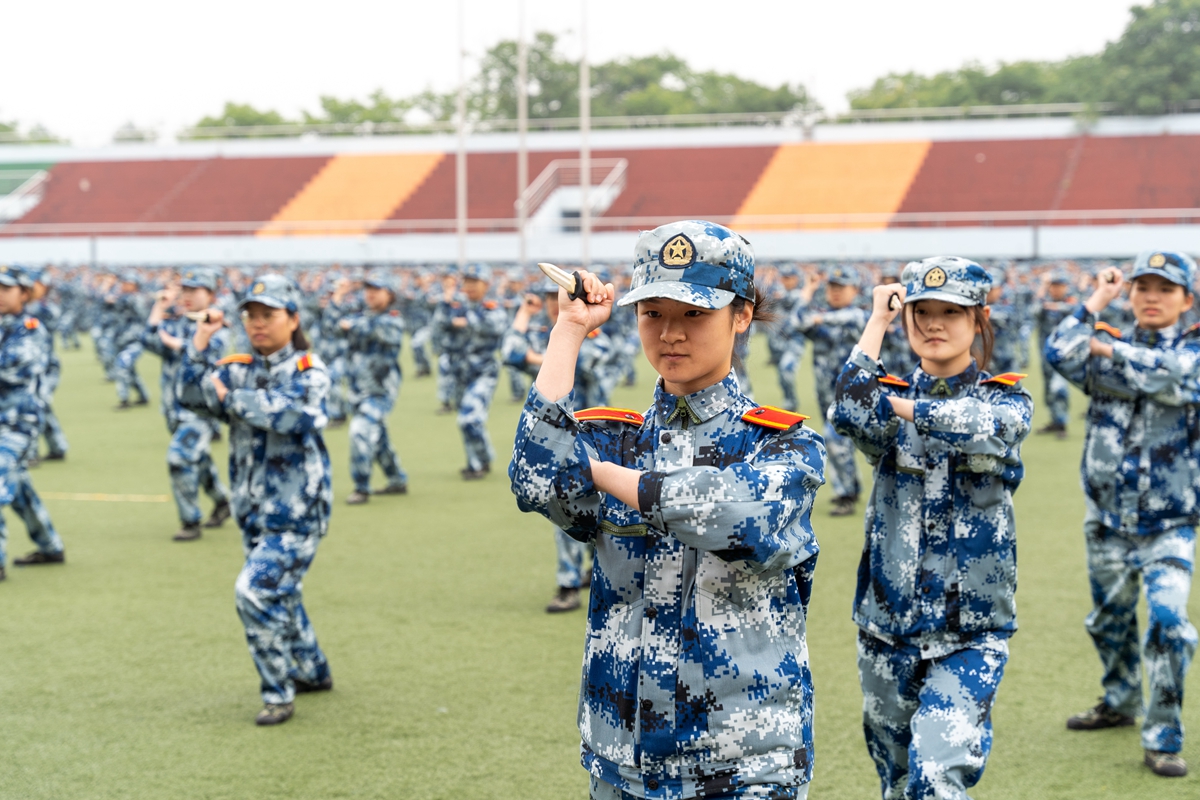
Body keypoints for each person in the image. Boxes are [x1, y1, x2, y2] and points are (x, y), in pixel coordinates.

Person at [510, 220, 826, 799]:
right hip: (623, 755)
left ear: (742, 315)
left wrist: (598, 473)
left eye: (694, 315)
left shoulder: (783, 444)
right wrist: (568, 331)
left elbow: (738, 516)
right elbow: (535, 481)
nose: (671, 334)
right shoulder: (619, 435)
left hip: (742, 760)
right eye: (652, 313)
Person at [831, 256, 1032, 800]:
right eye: (921, 313)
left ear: (978, 320)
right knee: (896, 782)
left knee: (936, 778)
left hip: (971, 631)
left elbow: (983, 427)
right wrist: (876, 320)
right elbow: (847, 410)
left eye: (952, 312)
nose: (936, 325)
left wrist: (899, 406)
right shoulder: (886, 396)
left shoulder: (1006, 398)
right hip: (886, 627)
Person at [1045, 251, 1200, 779]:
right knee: (1109, 621)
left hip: (1170, 522)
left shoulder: (1193, 349)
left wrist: (1110, 349)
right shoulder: (1107, 339)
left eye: (1165, 289)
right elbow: (1057, 350)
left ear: (1187, 299)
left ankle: (1162, 736)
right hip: (1108, 517)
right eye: (1142, 287)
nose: (1151, 297)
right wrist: (1098, 299)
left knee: (1168, 623)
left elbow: (1180, 376)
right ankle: (1119, 700)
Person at [178, 274, 334, 726]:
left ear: (293, 318)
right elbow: (190, 395)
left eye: (269, 315)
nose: (258, 324)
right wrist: (199, 343)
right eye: (251, 315)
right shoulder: (236, 364)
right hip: (252, 510)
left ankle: (277, 691)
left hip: (298, 512)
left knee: (255, 590)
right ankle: (313, 671)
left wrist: (233, 399)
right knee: (280, 592)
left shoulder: (310, 368)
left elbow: (295, 414)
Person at [504, 280, 612, 613]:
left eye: (559, 296)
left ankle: (585, 576)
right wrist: (524, 312)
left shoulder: (591, 333)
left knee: (602, 512)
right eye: (550, 297)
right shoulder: (545, 334)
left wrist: (543, 355)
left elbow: (587, 361)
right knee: (565, 508)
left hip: (597, 436)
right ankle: (570, 581)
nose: (554, 303)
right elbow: (509, 353)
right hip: (557, 437)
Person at [143, 268, 232, 541]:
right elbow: (149, 340)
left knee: (180, 458)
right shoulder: (179, 321)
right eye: (186, 290)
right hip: (173, 408)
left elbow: (203, 350)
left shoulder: (217, 325)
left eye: (196, 290)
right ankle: (222, 500)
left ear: (211, 294)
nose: (188, 296)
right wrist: (160, 306)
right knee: (198, 458)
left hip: (200, 410)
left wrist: (177, 343)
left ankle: (190, 520)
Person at [0, 265, 66, 580]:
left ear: (24, 294)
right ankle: (50, 545)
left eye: (6, 289)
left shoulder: (30, 328)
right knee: (18, 486)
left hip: (17, 423)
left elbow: (13, 368)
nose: (0, 295)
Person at [793, 264, 869, 516]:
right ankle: (850, 489)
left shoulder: (859, 317)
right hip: (829, 397)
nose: (835, 292)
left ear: (855, 290)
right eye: (831, 287)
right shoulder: (823, 322)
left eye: (841, 287)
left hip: (857, 397)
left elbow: (852, 318)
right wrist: (809, 289)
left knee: (836, 441)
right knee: (838, 443)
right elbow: (797, 322)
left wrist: (817, 316)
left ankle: (847, 493)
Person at [339, 269, 408, 505]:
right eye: (367, 289)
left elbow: (379, 331)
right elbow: (331, 325)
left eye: (376, 290)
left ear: (389, 294)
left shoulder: (393, 318)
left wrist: (351, 325)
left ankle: (361, 486)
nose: (370, 294)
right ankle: (397, 478)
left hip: (380, 388)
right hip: (358, 386)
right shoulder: (361, 315)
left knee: (360, 430)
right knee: (377, 437)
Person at [435, 264, 508, 479]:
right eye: (466, 282)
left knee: (469, 418)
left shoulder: (491, 306)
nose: (469, 287)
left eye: (474, 282)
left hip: (483, 372)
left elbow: (494, 326)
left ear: (485, 284)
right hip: (459, 372)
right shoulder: (456, 304)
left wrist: (463, 321)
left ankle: (482, 459)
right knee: (464, 419)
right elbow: (439, 322)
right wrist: (447, 299)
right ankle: (475, 462)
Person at [1035, 269, 1075, 438]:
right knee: (1048, 389)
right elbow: (1034, 311)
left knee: (1058, 388)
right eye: (1053, 286)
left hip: (1063, 354)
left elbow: (1072, 310)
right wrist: (1042, 288)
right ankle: (1054, 420)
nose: (1056, 289)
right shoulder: (1043, 301)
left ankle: (1062, 423)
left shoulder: (1071, 301)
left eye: (1060, 286)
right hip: (1045, 353)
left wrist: (1052, 305)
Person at [112, 271, 151, 409]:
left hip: (135, 340)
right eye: (123, 283)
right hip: (122, 340)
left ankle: (124, 399)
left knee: (122, 365)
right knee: (130, 370)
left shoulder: (136, 298)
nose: (124, 285)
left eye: (128, 283)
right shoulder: (124, 297)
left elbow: (141, 312)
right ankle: (144, 396)